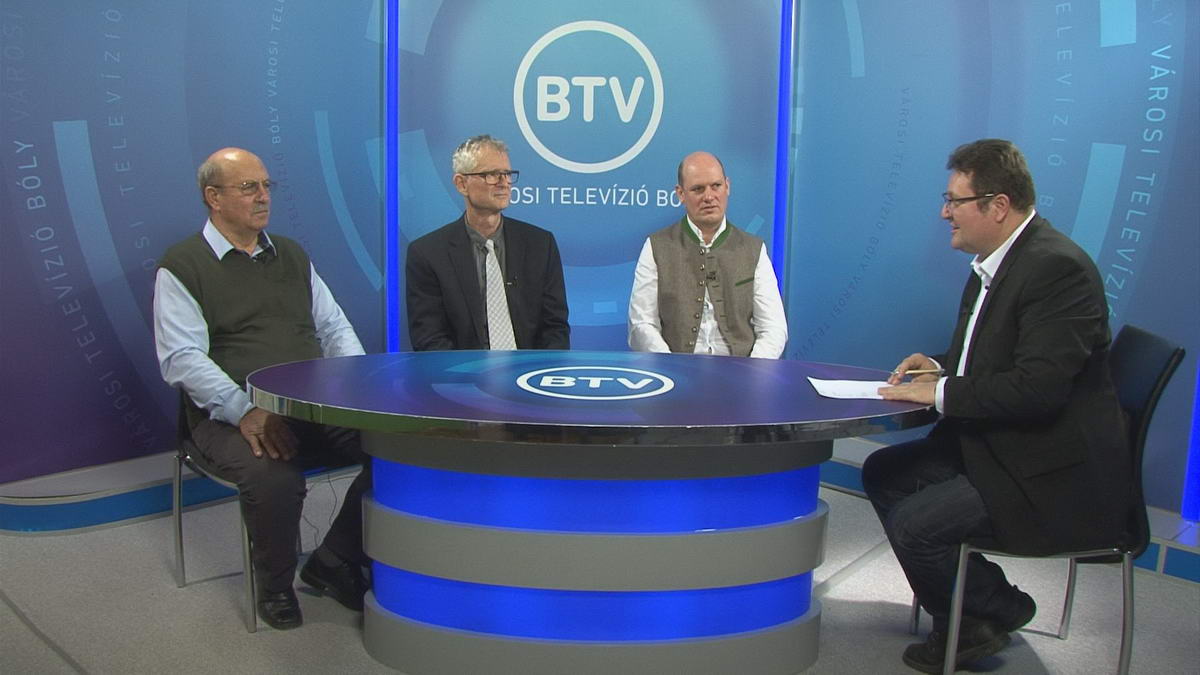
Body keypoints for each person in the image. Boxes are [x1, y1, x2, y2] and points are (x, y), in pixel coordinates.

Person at [863, 139, 1130, 673]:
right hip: (1003, 445)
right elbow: (991, 357)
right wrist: (938, 367)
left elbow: (1037, 389)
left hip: (1048, 469)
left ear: (998, 205)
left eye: (954, 201)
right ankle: (973, 615)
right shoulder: (993, 263)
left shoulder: (1058, 270)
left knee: (917, 526)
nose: (944, 213)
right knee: (884, 473)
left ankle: (994, 610)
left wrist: (939, 393)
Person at [154, 147, 371, 630]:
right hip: (228, 416)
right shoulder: (182, 265)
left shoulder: (291, 255)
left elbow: (334, 328)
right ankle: (274, 587)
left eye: (266, 186)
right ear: (213, 197)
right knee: (275, 477)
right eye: (248, 187)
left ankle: (334, 558)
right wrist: (243, 411)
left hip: (311, 405)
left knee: (394, 451)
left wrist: (355, 386)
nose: (263, 196)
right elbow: (182, 358)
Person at [406, 134, 569, 350]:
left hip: (530, 369)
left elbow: (555, 329)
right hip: (462, 370)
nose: (504, 183)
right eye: (492, 174)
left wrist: (536, 370)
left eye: (507, 174)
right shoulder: (428, 254)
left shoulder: (541, 245)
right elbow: (429, 338)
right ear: (461, 184)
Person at [627, 151, 787, 357]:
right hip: (675, 370)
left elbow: (773, 327)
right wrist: (670, 366)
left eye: (716, 186)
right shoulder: (656, 246)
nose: (709, 197)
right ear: (680, 194)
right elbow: (641, 324)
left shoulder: (753, 249)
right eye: (698, 189)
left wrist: (751, 370)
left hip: (741, 370)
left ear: (727, 186)